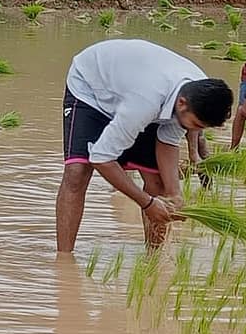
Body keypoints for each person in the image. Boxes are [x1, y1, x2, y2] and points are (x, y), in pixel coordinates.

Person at [56, 38, 233, 253]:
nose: (192, 130)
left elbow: (168, 141)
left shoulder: (200, 93)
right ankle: (64, 258)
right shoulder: (145, 101)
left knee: (157, 181)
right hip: (91, 88)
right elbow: (101, 158)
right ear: (182, 103)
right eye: (194, 124)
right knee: (77, 171)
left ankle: (154, 261)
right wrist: (147, 203)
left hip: (137, 89)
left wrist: (174, 194)